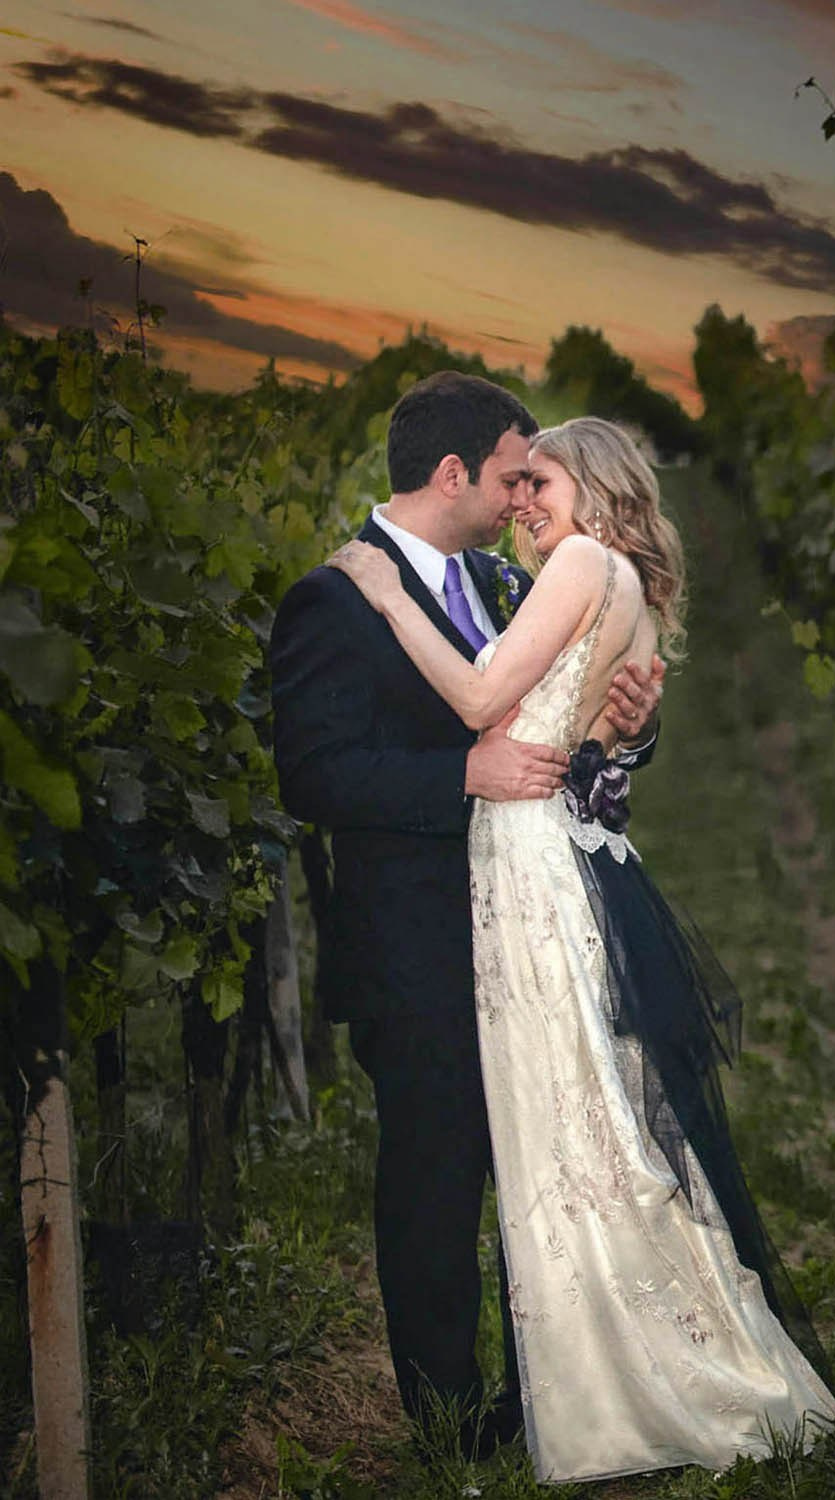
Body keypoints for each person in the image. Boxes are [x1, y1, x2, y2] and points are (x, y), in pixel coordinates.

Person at [330, 415, 835, 1485]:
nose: (525, 502)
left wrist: (382, 594)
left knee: (567, 1125)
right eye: (518, 487)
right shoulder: (627, 590)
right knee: (586, 1122)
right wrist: (624, 730)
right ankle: (623, 1360)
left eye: (543, 481)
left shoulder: (575, 563)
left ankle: (612, 1382)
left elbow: (480, 700)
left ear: (595, 485)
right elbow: (598, 747)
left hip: (527, 867)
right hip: (540, 859)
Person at [269, 374, 663, 1459]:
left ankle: (556, 1390)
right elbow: (315, 778)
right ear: (453, 475)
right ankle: (448, 1423)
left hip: (525, 929)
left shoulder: (503, 580)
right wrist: (464, 774)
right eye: (507, 477)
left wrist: (627, 731)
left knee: (539, 1163)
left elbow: (565, 721)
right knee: (437, 1182)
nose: (520, 499)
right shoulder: (333, 599)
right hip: (415, 945)